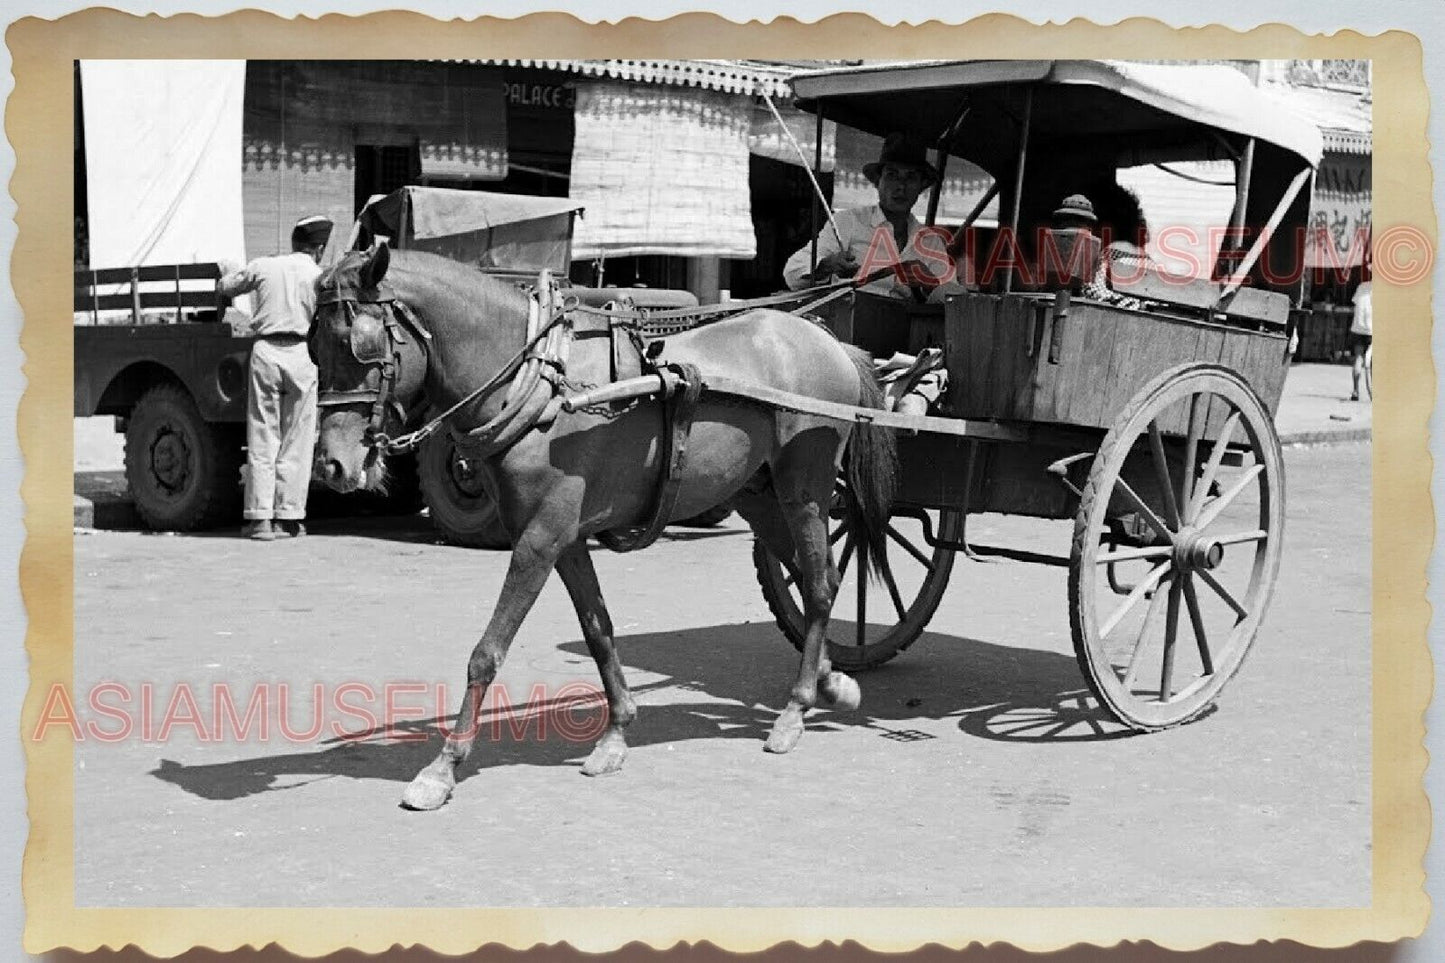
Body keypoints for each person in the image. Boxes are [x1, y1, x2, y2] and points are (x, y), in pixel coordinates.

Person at [218, 215, 333, 540]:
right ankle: (289, 518)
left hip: (266, 351)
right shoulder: (319, 275)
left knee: (263, 435)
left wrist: (227, 270)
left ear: (294, 242)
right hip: (301, 354)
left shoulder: (264, 266)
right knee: (297, 439)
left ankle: (259, 520)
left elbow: (228, 286)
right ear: (319, 248)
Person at [783, 133, 960, 298]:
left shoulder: (930, 241)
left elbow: (957, 299)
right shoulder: (848, 222)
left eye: (911, 177)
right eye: (892, 175)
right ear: (878, 182)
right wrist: (828, 265)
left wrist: (930, 282)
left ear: (921, 186)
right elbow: (792, 273)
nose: (901, 186)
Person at [1349, 273, 1372, 401]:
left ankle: (1355, 390)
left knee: (1358, 358)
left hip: (1358, 328)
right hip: (1373, 330)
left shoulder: (1362, 286)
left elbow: (1355, 303)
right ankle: (1374, 391)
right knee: (1374, 362)